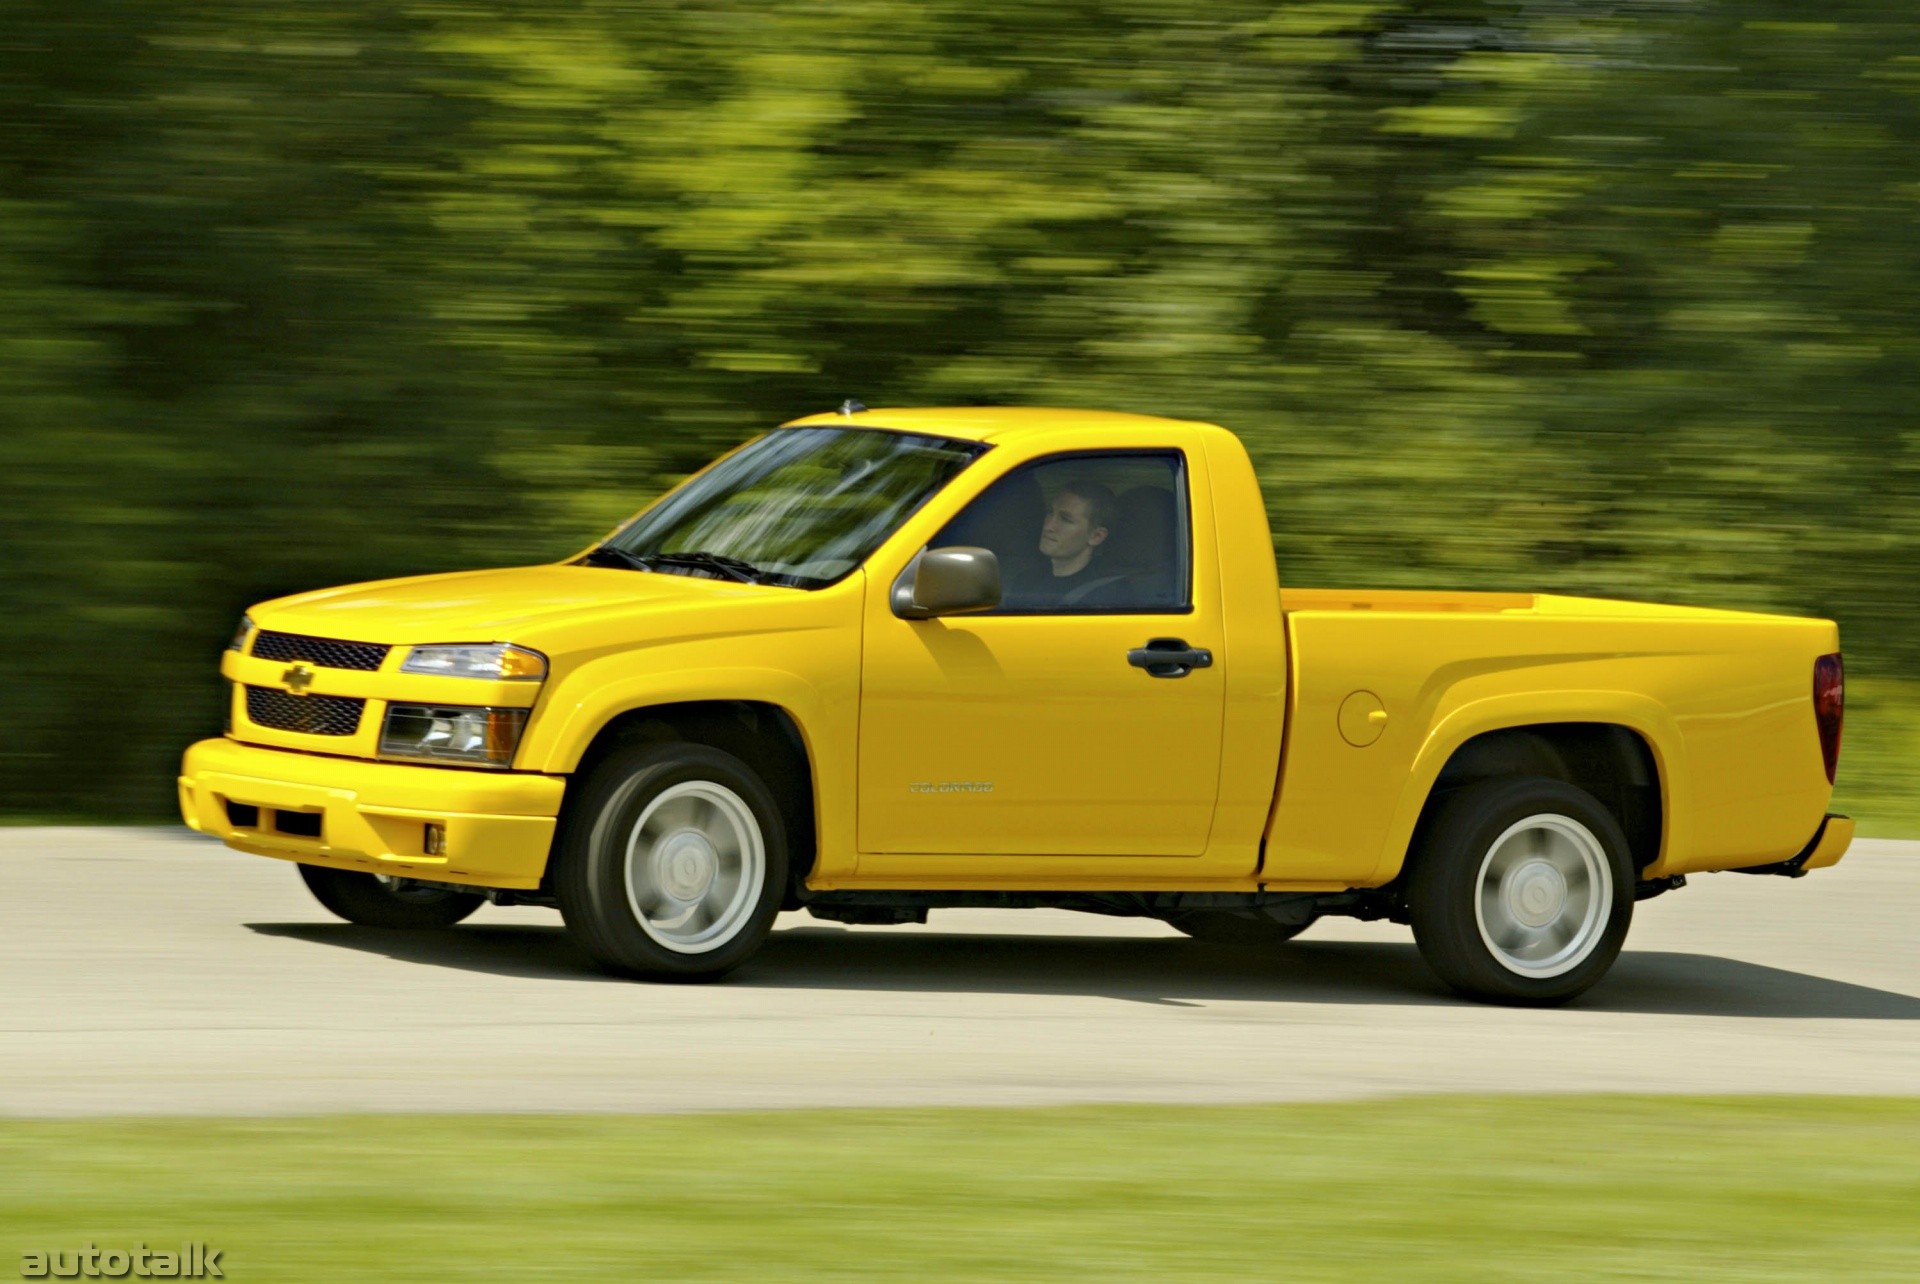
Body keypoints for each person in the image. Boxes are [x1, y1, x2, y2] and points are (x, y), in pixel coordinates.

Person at [1034, 478, 1128, 607]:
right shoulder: (1026, 581)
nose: (1048, 526)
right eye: (1050, 512)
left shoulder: (1109, 595)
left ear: (1096, 536)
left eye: (1065, 519)